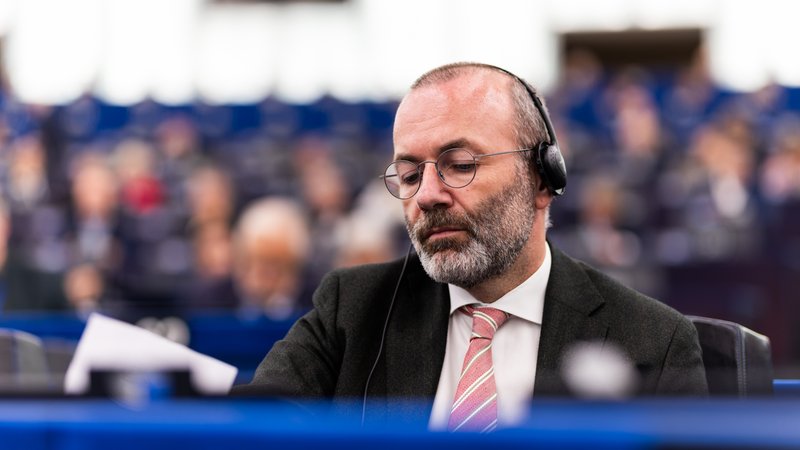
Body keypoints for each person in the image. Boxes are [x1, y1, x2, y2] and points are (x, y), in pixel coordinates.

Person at [233, 62, 708, 430]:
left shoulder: (653, 341)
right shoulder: (351, 309)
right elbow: (245, 431)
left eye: (459, 164)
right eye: (410, 174)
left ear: (542, 178)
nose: (427, 195)